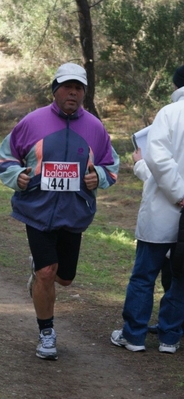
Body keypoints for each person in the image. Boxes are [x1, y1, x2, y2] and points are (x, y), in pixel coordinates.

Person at [0, 62, 119, 360]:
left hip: (75, 213)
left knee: (64, 278)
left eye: (79, 88)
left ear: (84, 93)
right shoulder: (31, 122)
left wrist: (98, 178)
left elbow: (111, 166)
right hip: (36, 210)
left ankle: (41, 272)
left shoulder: (95, 127)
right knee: (47, 272)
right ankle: (46, 332)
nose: (73, 93)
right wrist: (17, 177)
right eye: (67, 87)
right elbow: (6, 159)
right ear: (55, 90)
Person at [111, 64, 184, 354]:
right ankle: (169, 337)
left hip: (162, 211)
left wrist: (180, 194)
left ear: (176, 85)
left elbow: (159, 161)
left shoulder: (169, 114)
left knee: (144, 276)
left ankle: (135, 335)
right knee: (181, 278)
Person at [133, 148, 172, 334]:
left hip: (158, 222)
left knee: (143, 278)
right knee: (175, 279)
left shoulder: (169, 126)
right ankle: (171, 331)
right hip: (171, 224)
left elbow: (160, 175)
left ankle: (134, 334)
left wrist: (140, 163)